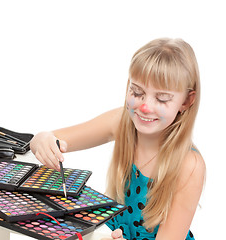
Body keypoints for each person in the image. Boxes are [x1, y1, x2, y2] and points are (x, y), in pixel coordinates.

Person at [29, 38, 206, 240]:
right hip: (110, 232)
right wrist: (42, 140)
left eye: (161, 98)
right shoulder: (122, 122)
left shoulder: (189, 166)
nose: (145, 107)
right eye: (137, 92)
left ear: (186, 101)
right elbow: (49, 138)